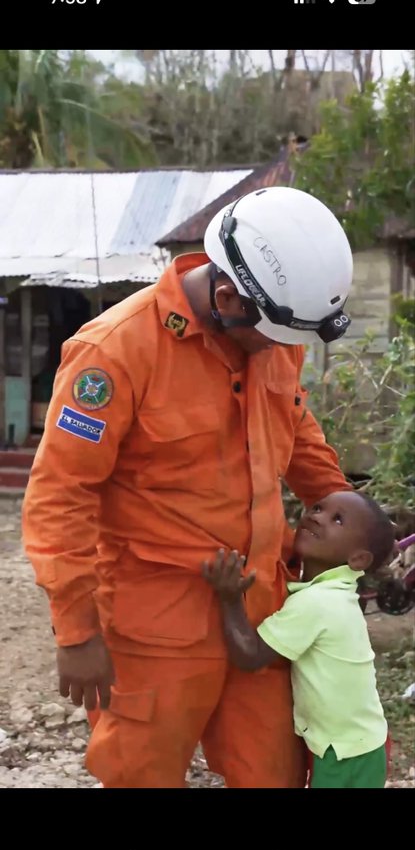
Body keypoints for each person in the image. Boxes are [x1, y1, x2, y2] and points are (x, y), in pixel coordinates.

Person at [22, 186, 354, 788]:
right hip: (155, 625)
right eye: (278, 336)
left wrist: (358, 523)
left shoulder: (268, 333)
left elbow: (298, 434)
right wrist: (75, 633)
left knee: (275, 775)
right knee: (142, 776)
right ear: (227, 296)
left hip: (260, 618)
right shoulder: (116, 352)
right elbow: (60, 496)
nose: (285, 351)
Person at [202, 490, 395, 788]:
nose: (316, 516)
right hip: (358, 743)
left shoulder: (318, 603)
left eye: (337, 519)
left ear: (358, 558)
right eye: (318, 507)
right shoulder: (336, 594)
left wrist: (229, 598)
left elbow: (250, 656)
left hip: (344, 754)